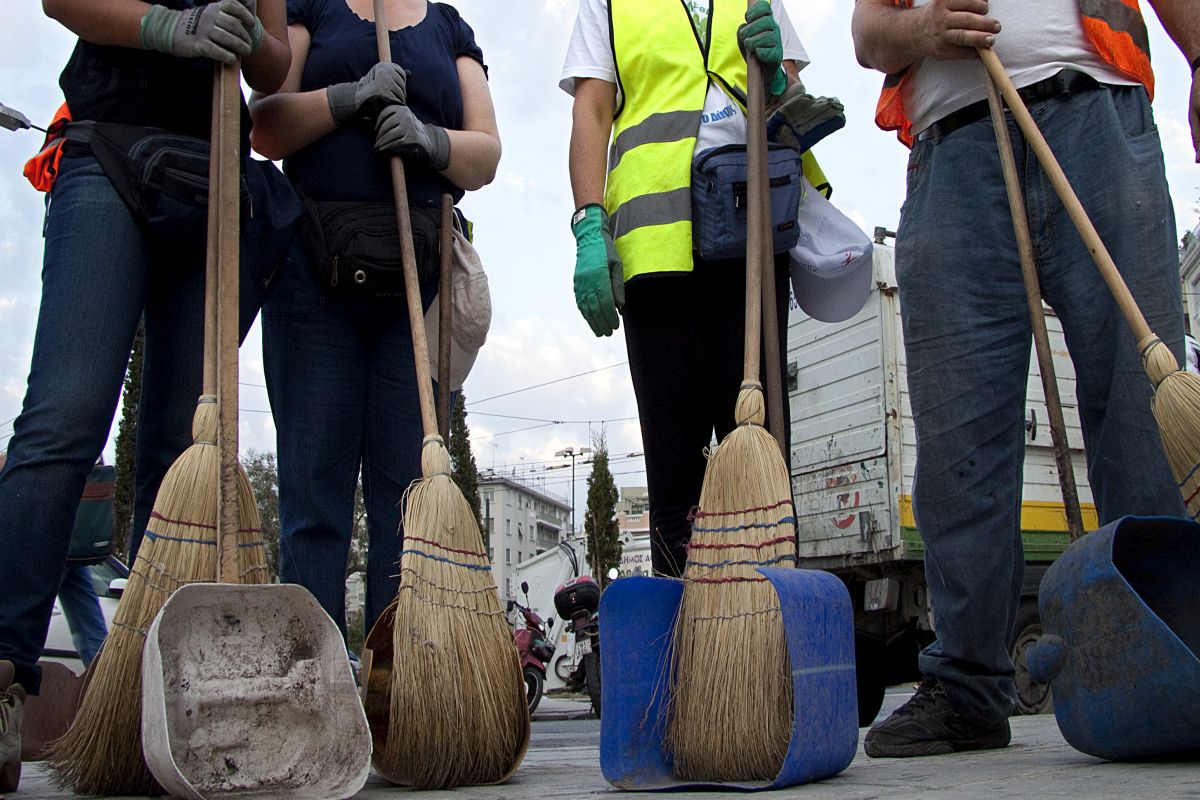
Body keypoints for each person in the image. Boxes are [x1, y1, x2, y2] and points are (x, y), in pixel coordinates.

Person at [851, 0, 1199, 758]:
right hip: (954, 150)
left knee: (1144, 406)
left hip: (1096, 117)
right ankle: (969, 688)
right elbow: (869, 33)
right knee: (958, 436)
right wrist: (922, 31)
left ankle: (1171, 655)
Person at [0, 1, 290, 792]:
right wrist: (173, 28)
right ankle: (2, 669)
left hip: (214, 167)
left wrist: (251, 38)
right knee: (66, 415)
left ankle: (155, 696)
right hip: (110, 151)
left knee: (180, 442)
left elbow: (273, 70)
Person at [247, 0, 500, 641]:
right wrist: (348, 98)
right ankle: (314, 683)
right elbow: (266, 127)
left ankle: (399, 686)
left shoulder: (447, 26)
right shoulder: (315, 9)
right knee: (313, 493)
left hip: (416, 277)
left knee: (407, 499)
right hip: (313, 275)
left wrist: (428, 138)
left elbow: (486, 154)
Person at [562, 0, 809, 578]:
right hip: (658, 252)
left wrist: (777, 78)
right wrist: (588, 224)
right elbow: (592, 110)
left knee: (764, 462)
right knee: (675, 479)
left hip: (751, 239)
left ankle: (764, 633)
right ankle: (685, 649)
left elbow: (794, 102)